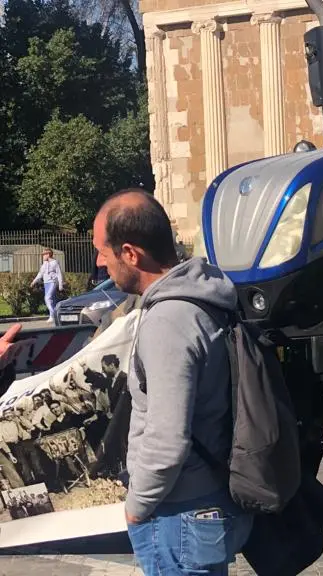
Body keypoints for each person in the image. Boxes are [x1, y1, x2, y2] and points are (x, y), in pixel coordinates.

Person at [92, 188, 251, 574]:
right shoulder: (201, 298)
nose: (99, 262)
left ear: (130, 253)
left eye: (102, 251)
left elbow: (167, 438)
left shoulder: (168, 321)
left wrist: (136, 507)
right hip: (204, 499)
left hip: (180, 514)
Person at [30, 249, 64, 323]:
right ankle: (54, 316)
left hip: (53, 282)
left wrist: (60, 284)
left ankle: (53, 314)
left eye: (44, 255)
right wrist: (34, 281)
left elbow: (59, 273)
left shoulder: (55, 262)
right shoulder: (44, 264)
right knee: (52, 300)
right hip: (46, 283)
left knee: (47, 298)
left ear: (48, 255)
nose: (43, 256)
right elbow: (40, 273)